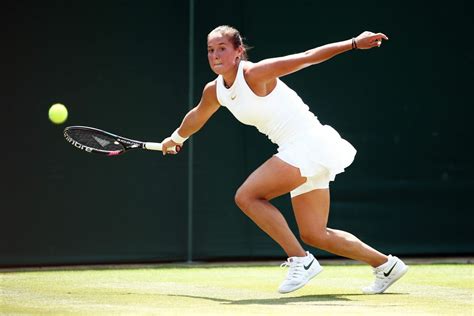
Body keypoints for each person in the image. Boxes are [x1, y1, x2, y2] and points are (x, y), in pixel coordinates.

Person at [161, 25, 408, 294]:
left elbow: (307, 56)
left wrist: (352, 43)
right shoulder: (214, 90)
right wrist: (176, 138)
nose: (215, 55)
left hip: (308, 144)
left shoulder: (256, 73)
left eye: (222, 49)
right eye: (210, 50)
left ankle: (301, 261)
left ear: (238, 52)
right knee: (315, 234)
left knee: (247, 196)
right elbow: (197, 115)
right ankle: (387, 265)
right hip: (303, 150)